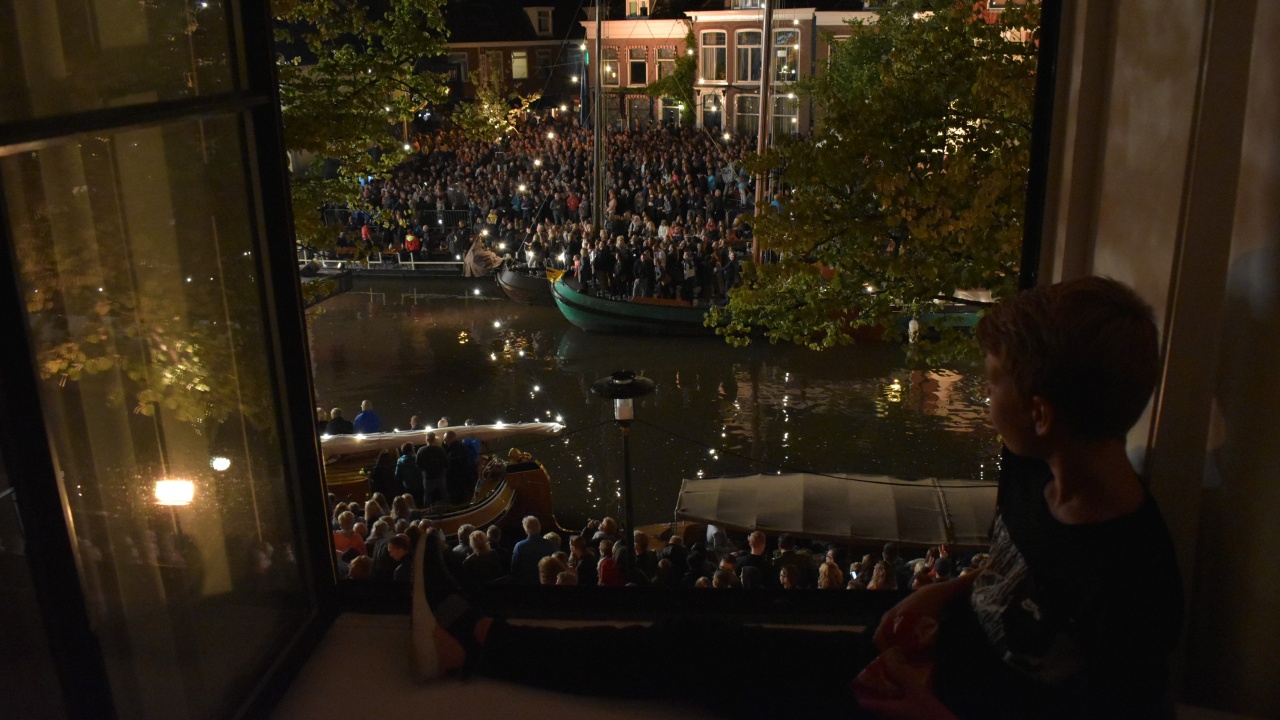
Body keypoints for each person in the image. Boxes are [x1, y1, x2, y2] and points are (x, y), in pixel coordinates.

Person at [412, 276, 1184, 719]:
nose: (984, 402)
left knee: (698, 660)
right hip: (920, 659)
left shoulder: (1137, 580)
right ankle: (479, 639)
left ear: (1041, 413)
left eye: (991, 386)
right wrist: (945, 592)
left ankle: (475, 639)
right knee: (700, 643)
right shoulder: (1033, 468)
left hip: (928, 703)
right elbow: (1013, 578)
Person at [508, 515, 557, 585]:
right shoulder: (551, 544)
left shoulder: (520, 546)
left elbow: (514, 568)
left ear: (526, 530)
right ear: (539, 527)